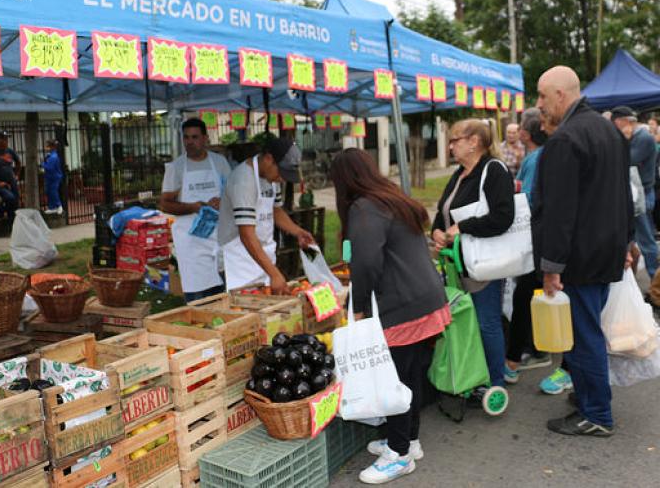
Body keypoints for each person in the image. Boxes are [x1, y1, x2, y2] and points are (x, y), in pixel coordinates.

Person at [331, 149, 449, 484]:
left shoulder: (364, 207)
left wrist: (359, 307)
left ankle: (398, 455)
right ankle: (408, 441)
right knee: (409, 376)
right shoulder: (391, 198)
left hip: (403, 307)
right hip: (427, 300)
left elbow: (365, 263)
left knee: (394, 380)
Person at [533, 66, 631, 436]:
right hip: (605, 250)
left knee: (584, 334)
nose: (540, 104)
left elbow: (559, 212)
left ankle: (597, 414)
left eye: (543, 96)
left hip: (579, 257)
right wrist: (628, 241)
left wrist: (551, 266)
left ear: (561, 95)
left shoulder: (567, 138)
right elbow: (625, 192)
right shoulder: (608, 129)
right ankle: (589, 397)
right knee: (587, 331)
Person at [432, 119, 514, 390]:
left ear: (474, 141)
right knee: (471, 321)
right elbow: (443, 211)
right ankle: (476, 375)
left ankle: (495, 380)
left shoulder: (494, 170)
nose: (451, 145)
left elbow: (504, 217)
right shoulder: (459, 174)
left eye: (455, 139)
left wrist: (462, 227)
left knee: (486, 321)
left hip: (485, 263)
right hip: (459, 263)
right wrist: (437, 231)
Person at [217, 136, 315, 294]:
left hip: (262, 257)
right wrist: (274, 273)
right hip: (238, 259)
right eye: (281, 172)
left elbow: (275, 210)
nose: (282, 178)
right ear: (269, 159)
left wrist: (297, 231)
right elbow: (246, 234)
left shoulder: (271, 178)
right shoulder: (243, 181)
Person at [160, 118, 231, 302]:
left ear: (205, 138)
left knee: (221, 291)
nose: (190, 142)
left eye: (195, 137)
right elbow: (165, 204)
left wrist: (222, 200)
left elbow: (232, 192)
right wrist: (193, 207)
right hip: (191, 241)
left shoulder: (219, 162)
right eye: (186, 138)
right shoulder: (176, 167)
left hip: (217, 237)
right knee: (197, 294)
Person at [504, 108, 552, 384]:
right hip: (537, 239)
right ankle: (537, 346)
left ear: (525, 133)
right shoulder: (536, 157)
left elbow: (528, 200)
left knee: (526, 295)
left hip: (535, 239)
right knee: (531, 294)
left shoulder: (536, 159)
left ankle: (532, 350)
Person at [611, 106, 658, 278]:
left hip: (641, 193)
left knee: (646, 240)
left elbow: (627, 160)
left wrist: (623, 139)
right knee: (640, 239)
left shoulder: (643, 137)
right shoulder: (639, 136)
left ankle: (655, 283)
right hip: (638, 192)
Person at [42, 139, 64, 216]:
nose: (46, 147)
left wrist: (43, 164)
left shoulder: (53, 157)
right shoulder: (50, 155)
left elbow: (49, 167)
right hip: (50, 177)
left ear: (52, 147)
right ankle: (52, 207)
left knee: (53, 191)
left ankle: (59, 206)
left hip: (54, 177)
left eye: (48, 146)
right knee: (49, 191)